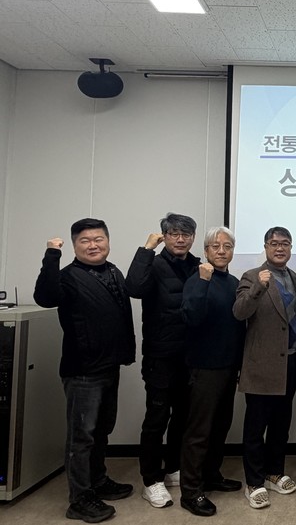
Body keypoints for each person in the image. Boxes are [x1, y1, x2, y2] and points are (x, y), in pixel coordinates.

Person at [33, 218, 136, 523]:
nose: (93, 245)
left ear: (108, 241)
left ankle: (97, 481)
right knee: (81, 438)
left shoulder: (113, 271)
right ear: (75, 245)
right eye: (85, 241)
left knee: (101, 430)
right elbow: (45, 297)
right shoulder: (66, 276)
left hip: (109, 366)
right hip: (82, 371)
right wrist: (52, 255)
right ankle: (79, 499)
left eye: (98, 239)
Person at [126, 213, 200, 508]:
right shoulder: (153, 264)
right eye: (174, 234)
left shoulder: (198, 266)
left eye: (186, 234)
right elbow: (133, 288)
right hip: (160, 356)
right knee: (156, 420)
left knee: (183, 417)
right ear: (164, 236)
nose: (180, 239)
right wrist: (146, 249)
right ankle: (151, 480)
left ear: (193, 238)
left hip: (190, 356)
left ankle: (172, 468)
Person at [233, 226, 296, 510]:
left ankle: (274, 472)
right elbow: (239, 312)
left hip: (290, 361)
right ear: (265, 247)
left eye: (285, 244)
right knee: (256, 426)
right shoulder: (252, 276)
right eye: (274, 243)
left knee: (281, 423)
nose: (280, 248)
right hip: (262, 365)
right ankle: (254, 482)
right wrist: (257, 289)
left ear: (290, 248)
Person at [179, 226, 245, 517]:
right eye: (215, 246)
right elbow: (191, 317)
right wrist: (204, 281)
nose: (221, 251)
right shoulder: (197, 279)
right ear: (206, 251)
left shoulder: (233, 282)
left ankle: (211, 475)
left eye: (227, 246)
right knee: (199, 432)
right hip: (204, 368)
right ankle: (191, 491)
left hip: (228, 366)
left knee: (220, 426)